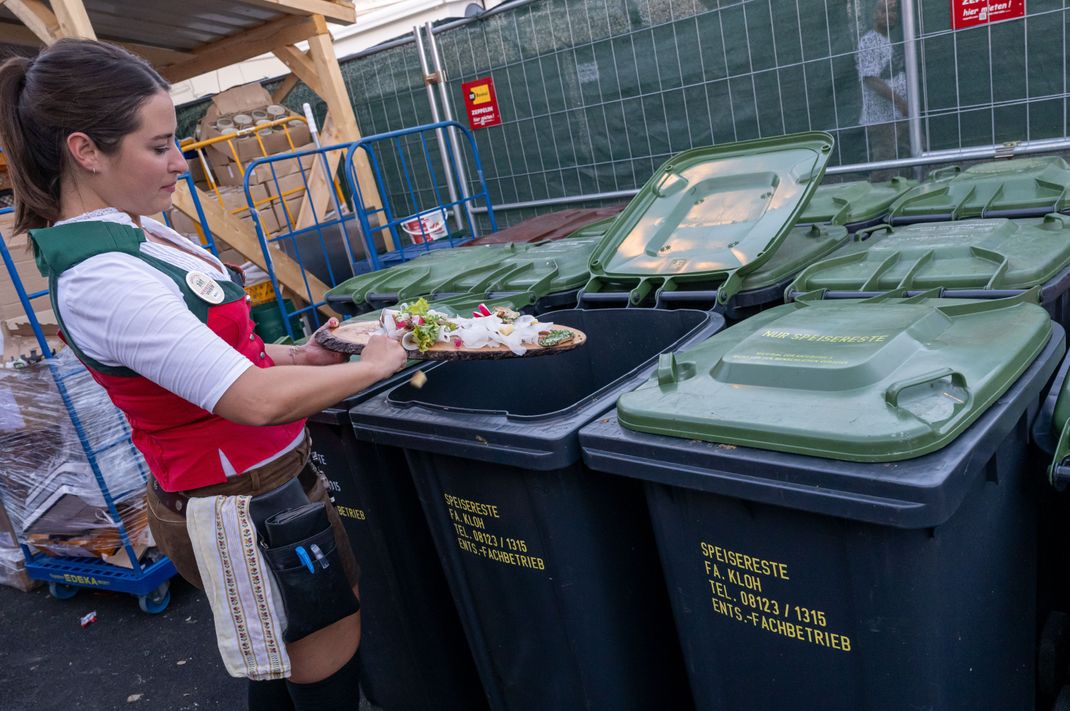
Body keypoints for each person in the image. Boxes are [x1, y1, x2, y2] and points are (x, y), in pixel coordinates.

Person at [0, 39, 408, 710]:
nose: (180, 162)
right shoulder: (103, 277)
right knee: (323, 672)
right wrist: (374, 366)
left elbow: (216, 359)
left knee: (279, 663)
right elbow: (248, 399)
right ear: (85, 150)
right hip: (244, 500)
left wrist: (297, 358)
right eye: (158, 146)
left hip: (262, 487)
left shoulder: (139, 234)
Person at [856, 0, 910, 180]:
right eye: (883, 10)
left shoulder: (889, 40)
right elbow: (871, 79)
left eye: (893, 11)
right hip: (882, 121)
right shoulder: (869, 41)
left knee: (907, 163)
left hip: (898, 116)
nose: (889, 15)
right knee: (884, 170)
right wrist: (901, 102)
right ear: (874, 15)